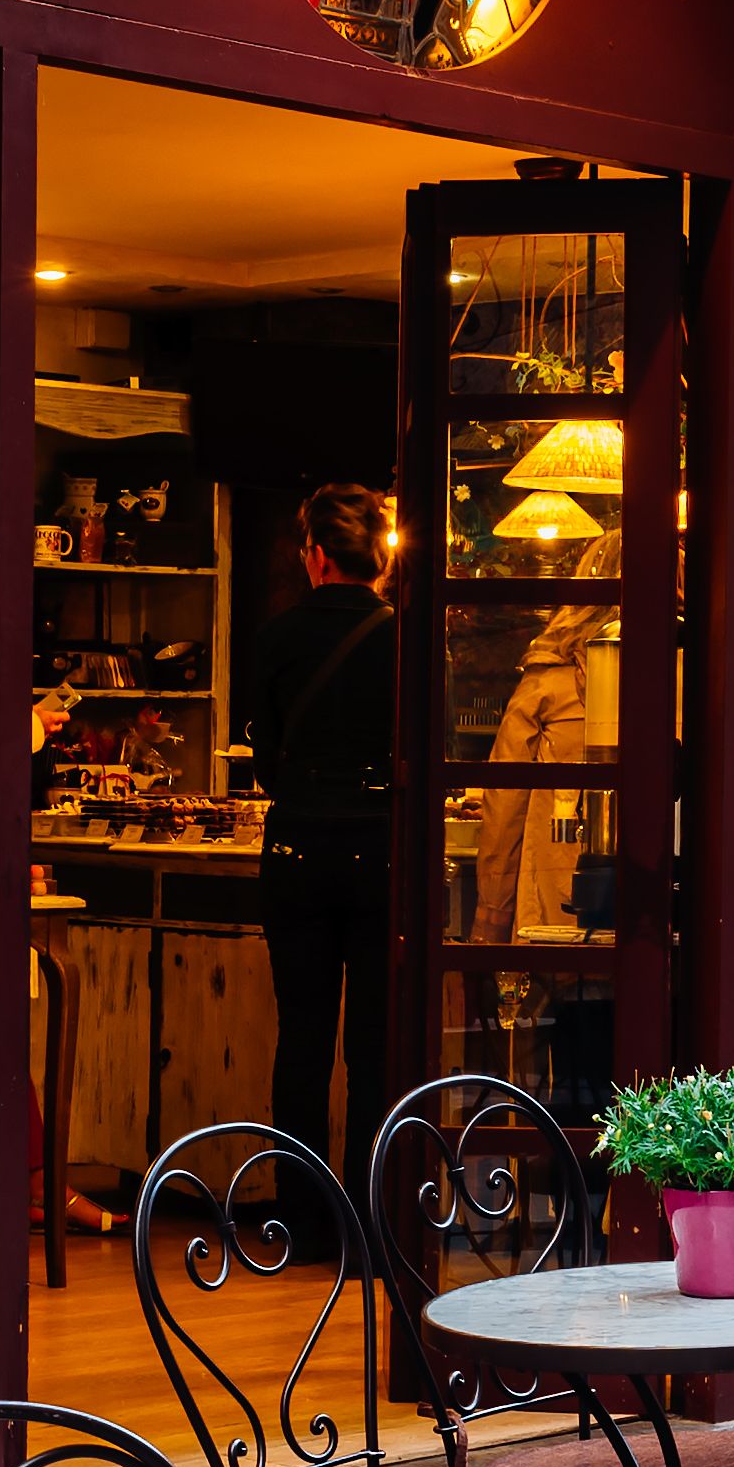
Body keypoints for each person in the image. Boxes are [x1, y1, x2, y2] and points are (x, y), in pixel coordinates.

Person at [246, 483, 398, 1168]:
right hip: (380, 848)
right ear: (377, 558)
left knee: (301, 1040)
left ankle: (301, 1218)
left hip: (298, 846)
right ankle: (371, 1212)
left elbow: (265, 763)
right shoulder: (403, 638)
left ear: (316, 556)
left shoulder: (279, 635)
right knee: (374, 1044)